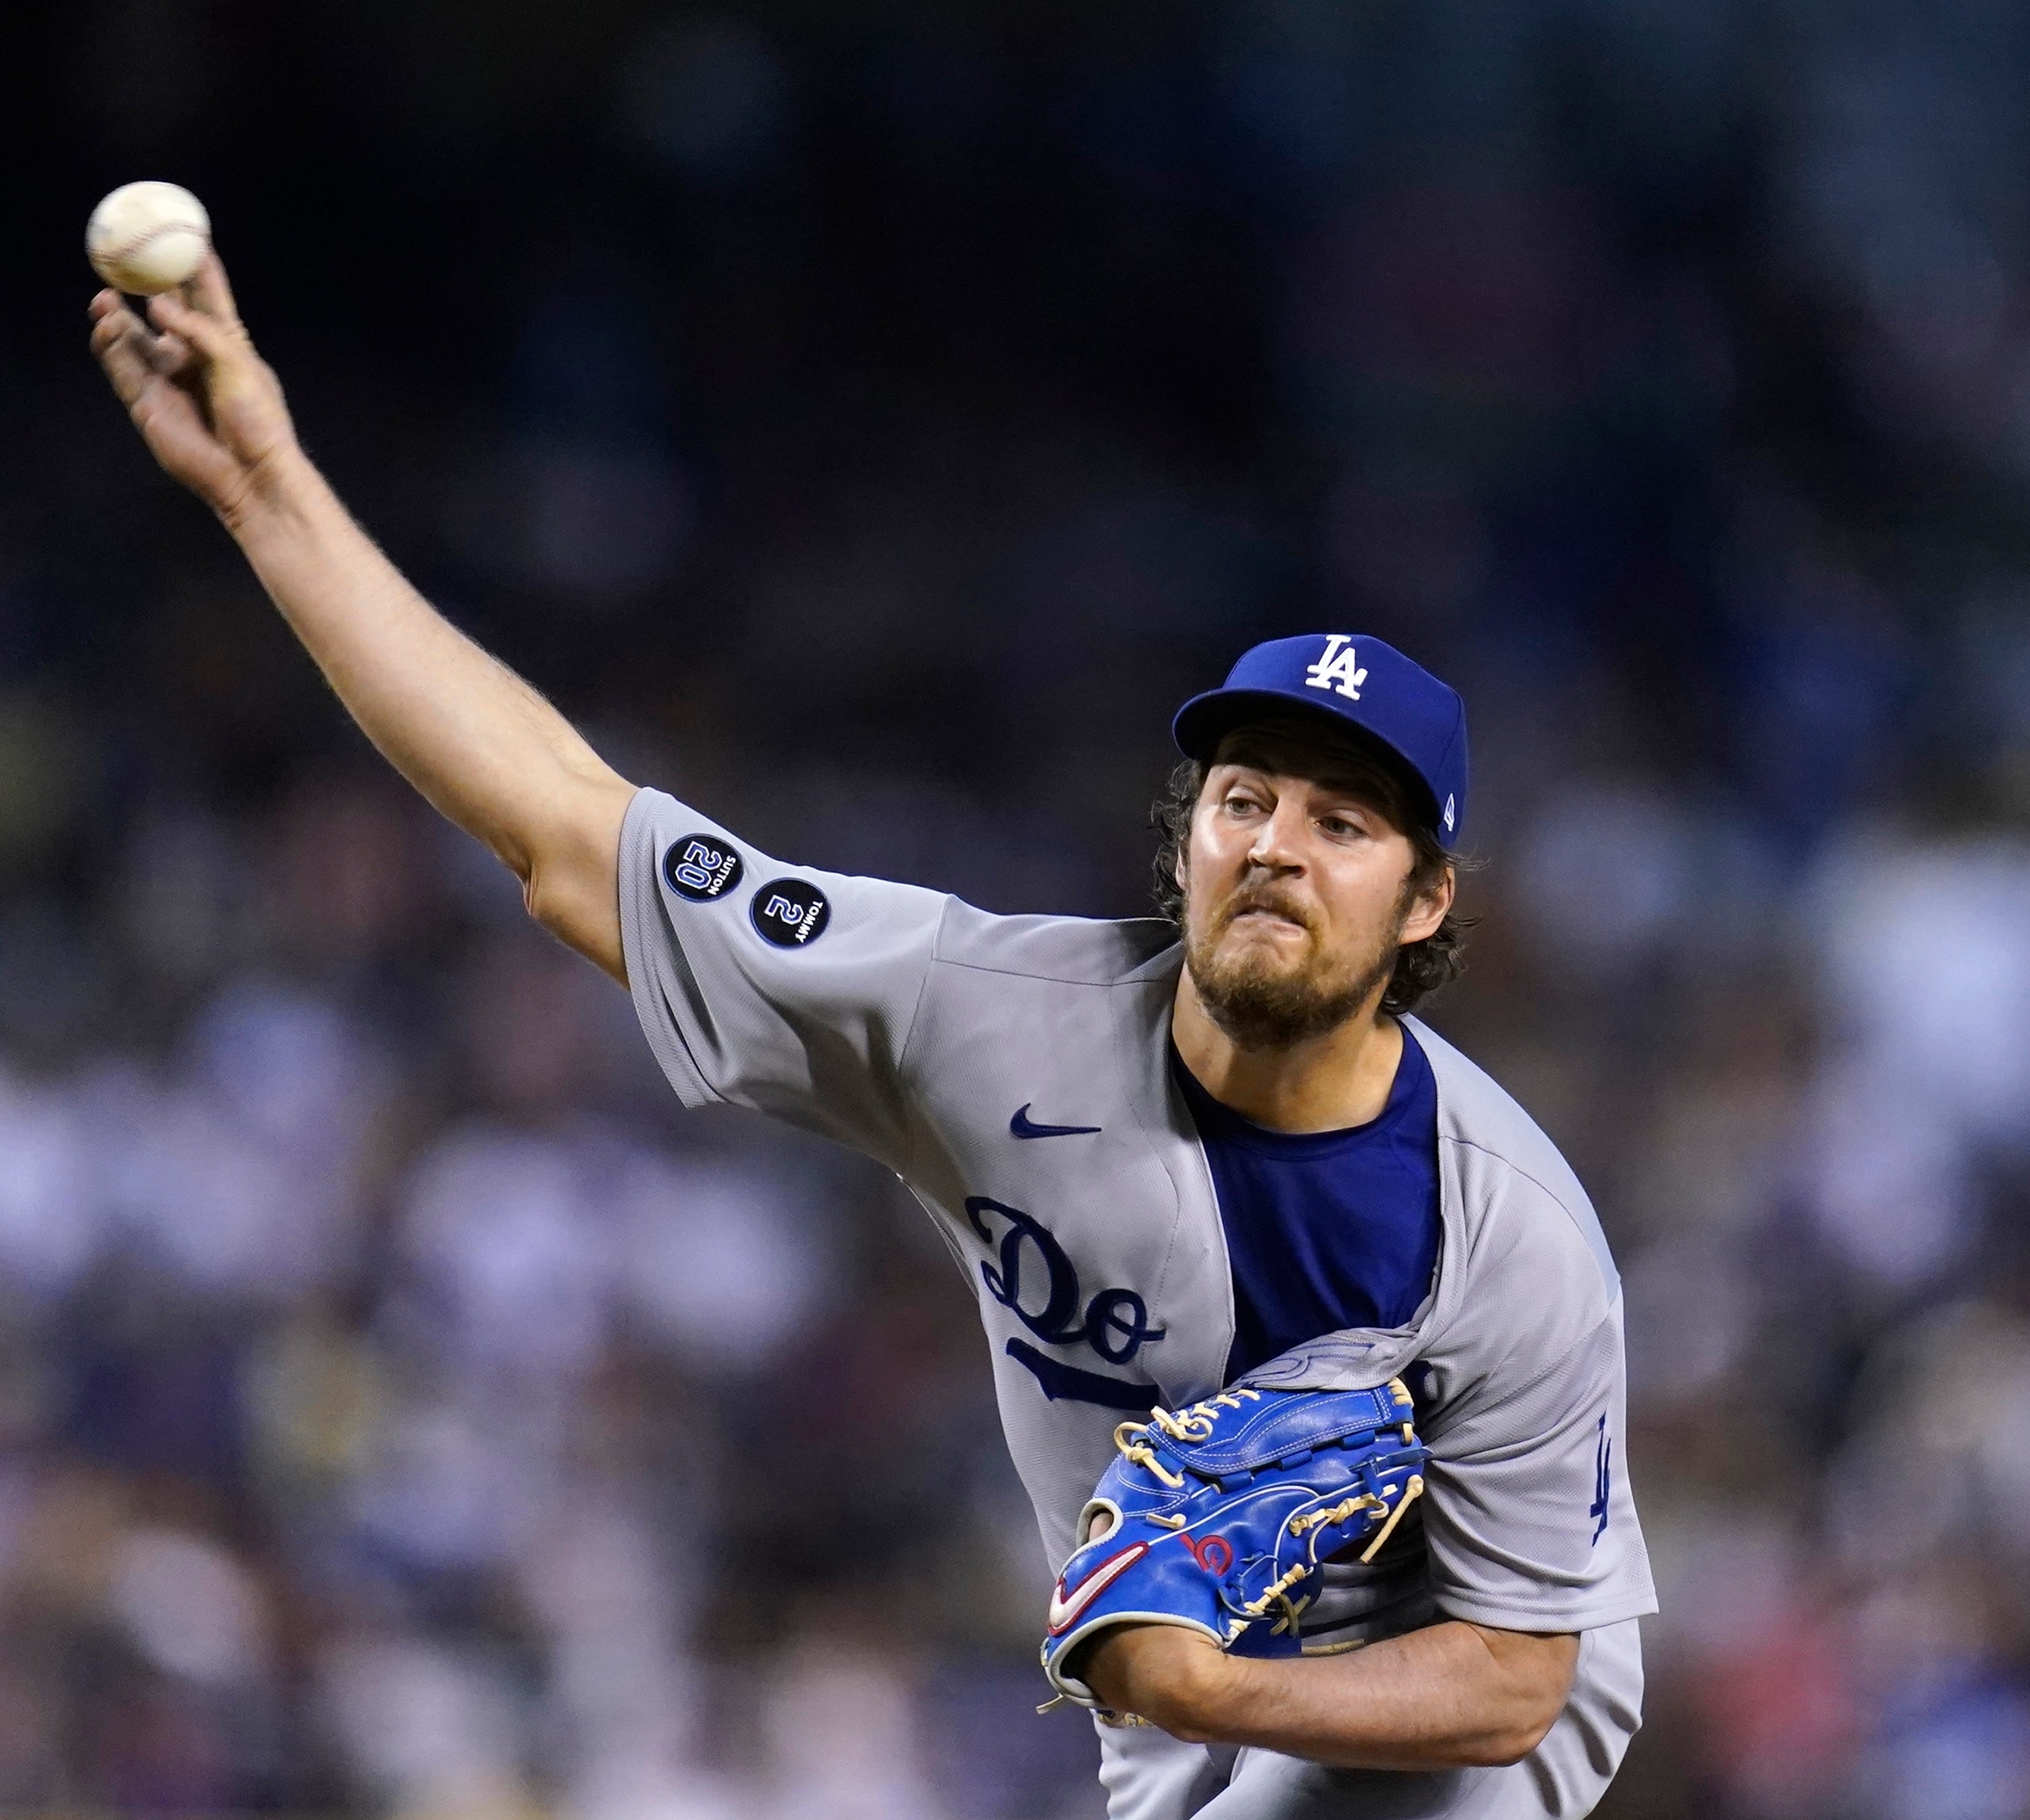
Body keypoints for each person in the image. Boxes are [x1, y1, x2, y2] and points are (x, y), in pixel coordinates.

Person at [89, 255, 1656, 1819]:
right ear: (1182, 839)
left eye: (1343, 822)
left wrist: (1207, 1686)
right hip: (1192, 1734)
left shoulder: (1500, 1228)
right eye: (1243, 799)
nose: (1275, 847)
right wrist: (267, 490)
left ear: (1429, 903)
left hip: (1458, 1724)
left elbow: (1518, 1681)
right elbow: (570, 829)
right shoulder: (980, 1010)